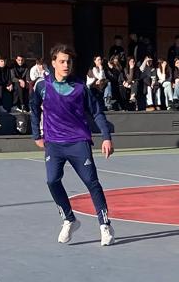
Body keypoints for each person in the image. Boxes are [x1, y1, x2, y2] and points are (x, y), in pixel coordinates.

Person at [31, 45, 116, 246]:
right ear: (53, 63)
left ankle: (105, 225)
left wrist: (106, 137)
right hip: (54, 143)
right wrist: (36, 135)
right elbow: (34, 109)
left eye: (68, 61)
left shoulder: (80, 87)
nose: (66, 65)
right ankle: (69, 219)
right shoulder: (41, 86)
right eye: (61, 61)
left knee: (91, 182)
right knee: (52, 181)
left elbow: (97, 112)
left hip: (78, 141)